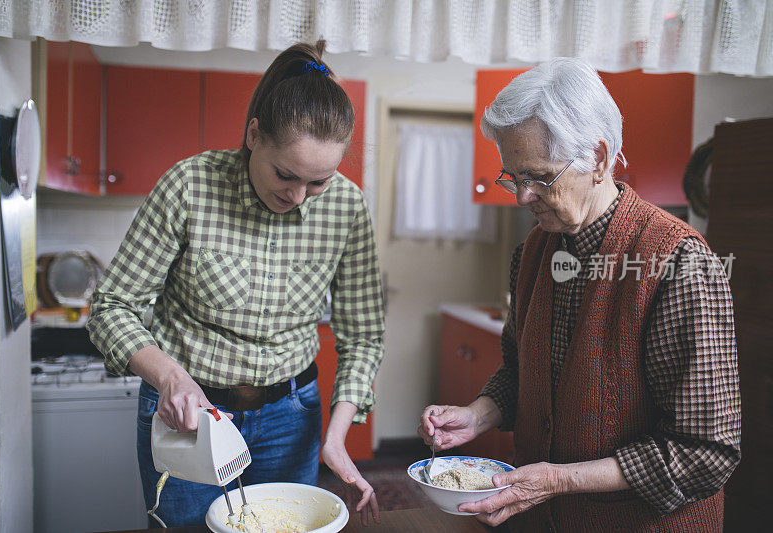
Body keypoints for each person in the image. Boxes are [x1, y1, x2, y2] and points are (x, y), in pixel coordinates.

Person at [418, 57, 740, 532]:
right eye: (513, 177)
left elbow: (704, 453)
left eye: (538, 177)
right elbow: (520, 370)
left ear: (599, 159)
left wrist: (560, 481)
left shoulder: (678, 263)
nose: (521, 197)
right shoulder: (533, 252)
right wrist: (476, 415)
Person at [87, 41, 384, 527]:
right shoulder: (189, 186)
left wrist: (336, 433)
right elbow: (112, 306)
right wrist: (170, 377)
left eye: (319, 183)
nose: (298, 197)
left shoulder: (348, 209)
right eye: (286, 175)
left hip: (291, 418)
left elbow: (364, 335)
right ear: (253, 135)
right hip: (187, 416)